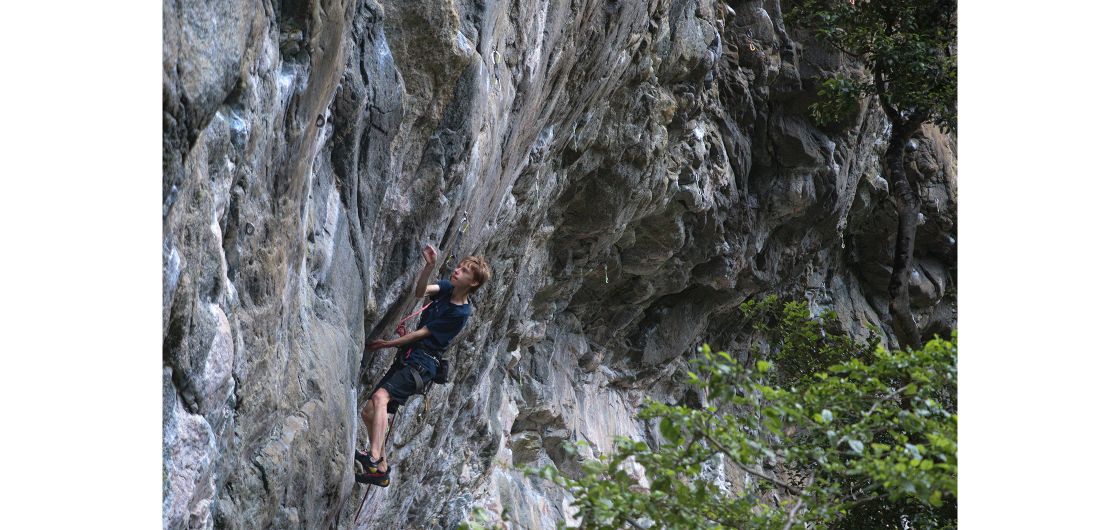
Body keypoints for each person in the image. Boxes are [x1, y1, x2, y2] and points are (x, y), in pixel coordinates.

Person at [355, 244, 491, 487]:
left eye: (464, 271)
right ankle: (381, 469)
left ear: (473, 282)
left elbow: (422, 333)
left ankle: (374, 457)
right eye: (458, 267)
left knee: (380, 398)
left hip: (423, 363)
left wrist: (387, 344)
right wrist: (429, 267)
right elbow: (420, 292)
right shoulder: (447, 288)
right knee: (369, 412)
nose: (457, 271)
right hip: (411, 357)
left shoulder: (461, 314)